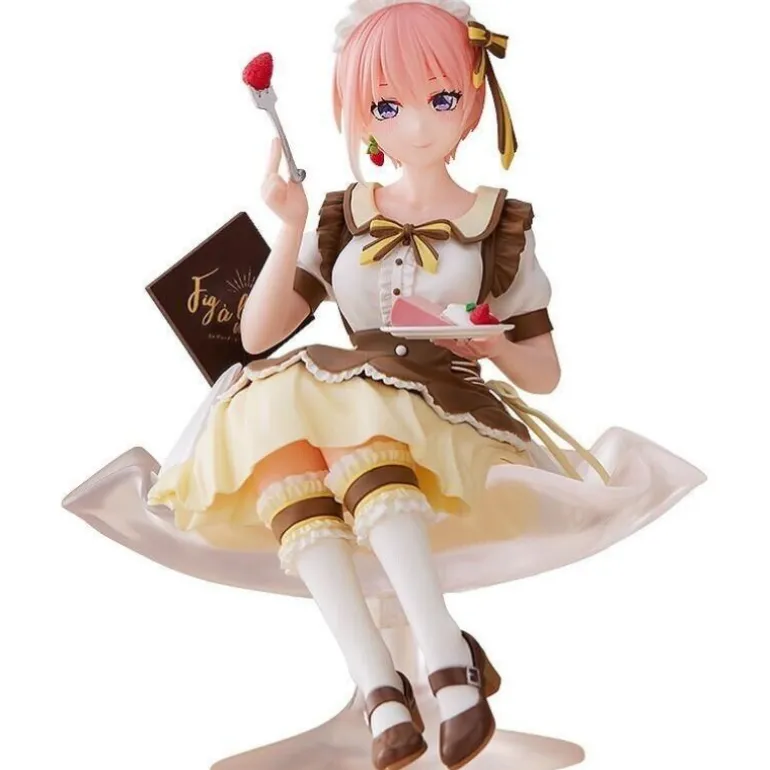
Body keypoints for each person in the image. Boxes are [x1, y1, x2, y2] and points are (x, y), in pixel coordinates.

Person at [67, 3, 706, 769]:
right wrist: (289, 225)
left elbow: (546, 373)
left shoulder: (498, 223)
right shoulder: (343, 216)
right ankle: (382, 685)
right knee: (279, 416)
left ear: (474, 96)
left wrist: (490, 342)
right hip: (350, 403)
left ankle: (442, 662)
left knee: (341, 420)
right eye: (387, 105)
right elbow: (258, 336)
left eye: (440, 98)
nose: (417, 124)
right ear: (359, 113)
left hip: (455, 415)